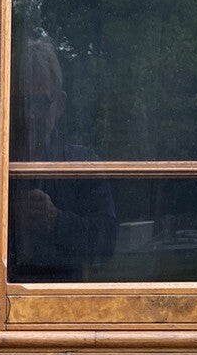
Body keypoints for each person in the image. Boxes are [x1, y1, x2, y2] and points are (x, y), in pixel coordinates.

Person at [9, 37, 117, 280]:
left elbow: (107, 243)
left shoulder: (82, 165)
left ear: (59, 104)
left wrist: (56, 220)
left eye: (39, 103)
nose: (30, 115)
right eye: (22, 103)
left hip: (62, 304)